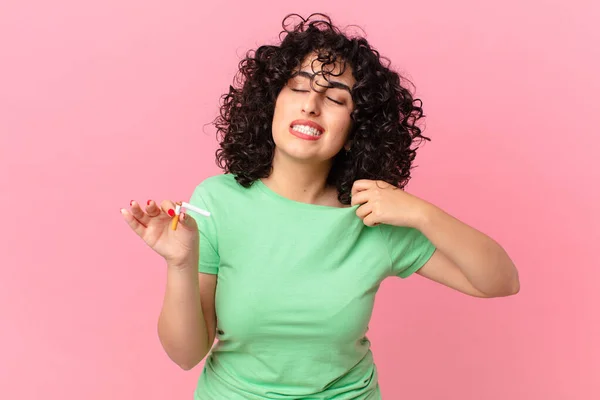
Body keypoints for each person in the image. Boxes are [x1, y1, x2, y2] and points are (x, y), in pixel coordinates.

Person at [120, 13, 520, 400]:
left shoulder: (373, 216)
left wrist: (421, 212)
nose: (311, 104)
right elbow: (185, 355)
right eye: (297, 87)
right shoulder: (216, 201)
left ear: (355, 131)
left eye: (335, 98)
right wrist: (180, 264)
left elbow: (500, 281)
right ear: (271, 104)